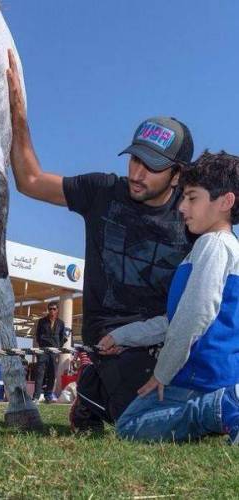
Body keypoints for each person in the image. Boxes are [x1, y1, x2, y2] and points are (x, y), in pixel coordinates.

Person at [6, 50, 195, 431]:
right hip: (110, 336)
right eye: (135, 159)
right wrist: (17, 114)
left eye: (153, 166)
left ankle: (95, 390)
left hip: (164, 332)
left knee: (193, 392)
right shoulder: (103, 191)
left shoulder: (192, 214)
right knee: (147, 419)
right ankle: (93, 392)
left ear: (177, 175)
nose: (138, 173)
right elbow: (30, 180)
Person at [99, 151, 239, 444]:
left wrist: (162, 373)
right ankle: (218, 417)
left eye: (191, 198)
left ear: (225, 202)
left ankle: (221, 409)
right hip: (211, 375)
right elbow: (174, 319)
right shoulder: (222, 248)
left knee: (129, 427)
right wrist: (124, 336)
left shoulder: (212, 245)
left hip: (199, 378)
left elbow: (194, 317)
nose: (181, 207)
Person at [33, 301, 66, 403]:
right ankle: (36, 397)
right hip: (43, 351)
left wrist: (57, 347)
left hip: (54, 352)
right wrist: (42, 345)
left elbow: (62, 337)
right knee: (40, 373)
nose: (52, 311)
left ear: (57, 310)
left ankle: (48, 396)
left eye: (54, 309)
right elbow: (38, 335)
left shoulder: (61, 323)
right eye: (50, 309)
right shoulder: (42, 321)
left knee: (52, 374)